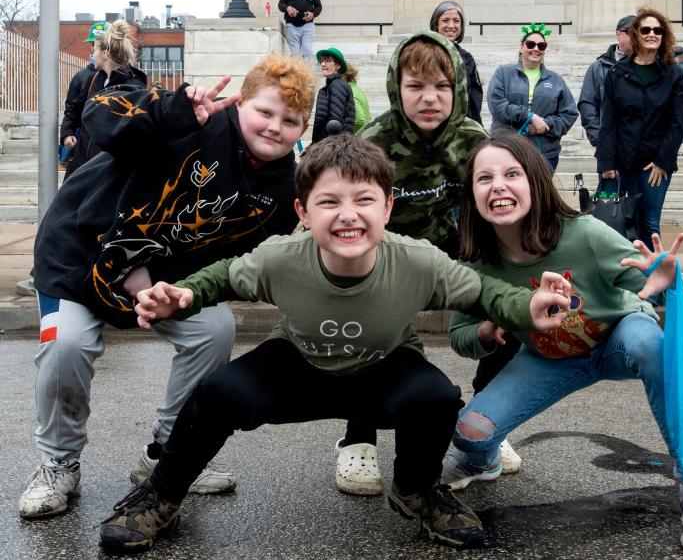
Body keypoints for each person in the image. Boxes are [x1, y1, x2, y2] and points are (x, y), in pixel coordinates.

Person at [96, 134, 573, 553]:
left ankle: (416, 490)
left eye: (365, 200)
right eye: (329, 203)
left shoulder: (418, 261)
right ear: (302, 212)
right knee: (216, 392)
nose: (349, 216)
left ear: (387, 207)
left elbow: (486, 292)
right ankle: (162, 494)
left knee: (436, 397)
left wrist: (527, 307)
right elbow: (222, 277)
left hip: (384, 366)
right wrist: (183, 295)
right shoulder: (281, 257)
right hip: (299, 362)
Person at [18, 54, 315, 520]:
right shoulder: (191, 118)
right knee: (66, 346)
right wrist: (168, 110)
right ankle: (58, 463)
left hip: (157, 278)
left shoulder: (281, 187)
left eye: (292, 120)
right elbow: (100, 113)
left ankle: (167, 456)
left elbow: (240, 261)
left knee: (213, 328)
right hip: (76, 255)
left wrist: (172, 289)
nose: (276, 127)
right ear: (239, 103)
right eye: (265, 111)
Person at [439, 135, 683, 557]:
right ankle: (482, 461)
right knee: (469, 432)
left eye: (511, 174)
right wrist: (486, 332)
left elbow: (676, 288)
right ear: (472, 194)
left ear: (536, 183)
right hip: (548, 358)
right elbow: (459, 336)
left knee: (651, 343)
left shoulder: (585, 235)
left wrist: (676, 282)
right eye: (484, 178)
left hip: (618, 339)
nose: (498, 186)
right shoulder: (476, 261)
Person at [327, 32, 490, 496]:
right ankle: (357, 438)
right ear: (397, 88)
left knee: (505, 308)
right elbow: (347, 215)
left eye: (441, 86)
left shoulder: (473, 139)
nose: (429, 98)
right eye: (416, 86)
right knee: (369, 330)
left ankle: (487, 424)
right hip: (386, 254)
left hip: (449, 251)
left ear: (456, 87)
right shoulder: (373, 142)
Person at [596, 8, 683, 249]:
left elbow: (679, 122)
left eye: (657, 30)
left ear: (664, 36)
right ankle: (616, 275)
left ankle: (650, 277)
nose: (652, 34)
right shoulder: (617, 74)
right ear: (635, 34)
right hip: (619, 161)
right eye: (646, 30)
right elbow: (608, 121)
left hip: (654, 164)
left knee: (649, 223)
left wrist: (663, 160)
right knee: (611, 221)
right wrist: (606, 163)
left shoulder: (674, 76)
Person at [487, 23, 579, 171]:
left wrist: (544, 126)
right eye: (530, 44)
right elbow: (497, 105)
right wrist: (529, 116)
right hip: (507, 149)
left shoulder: (556, 80)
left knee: (539, 194)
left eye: (541, 46)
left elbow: (569, 113)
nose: (536, 49)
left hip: (544, 154)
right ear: (521, 47)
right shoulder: (503, 73)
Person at [64, 20, 147, 179]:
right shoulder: (92, 80)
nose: (92, 54)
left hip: (109, 173)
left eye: (94, 49)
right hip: (82, 165)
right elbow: (74, 108)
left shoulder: (133, 87)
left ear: (105, 53)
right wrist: (67, 132)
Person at [577, 15, 634, 147]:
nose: (636, 36)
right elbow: (587, 104)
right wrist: (599, 139)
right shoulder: (598, 67)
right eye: (631, 32)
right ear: (618, 34)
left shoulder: (648, 65)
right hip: (609, 144)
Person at [59, 21, 107, 168]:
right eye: (93, 44)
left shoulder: (125, 77)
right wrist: (67, 132)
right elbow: (71, 108)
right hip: (84, 141)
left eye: (100, 44)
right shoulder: (81, 77)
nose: (95, 48)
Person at [429, 0, 484, 124]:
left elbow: (474, 97)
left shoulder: (467, 58)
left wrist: (474, 126)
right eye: (445, 20)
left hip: (461, 126)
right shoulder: (423, 53)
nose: (451, 25)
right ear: (436, 24)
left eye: (456, 21)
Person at [312, 47, 356, 142]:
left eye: (328, 61)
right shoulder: (331, 85)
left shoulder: (337, 85)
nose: (323, 64)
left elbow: (334, 123)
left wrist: (315, 144)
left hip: (334, 145)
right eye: (322, 61)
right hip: (331, 142)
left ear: (338, 65)